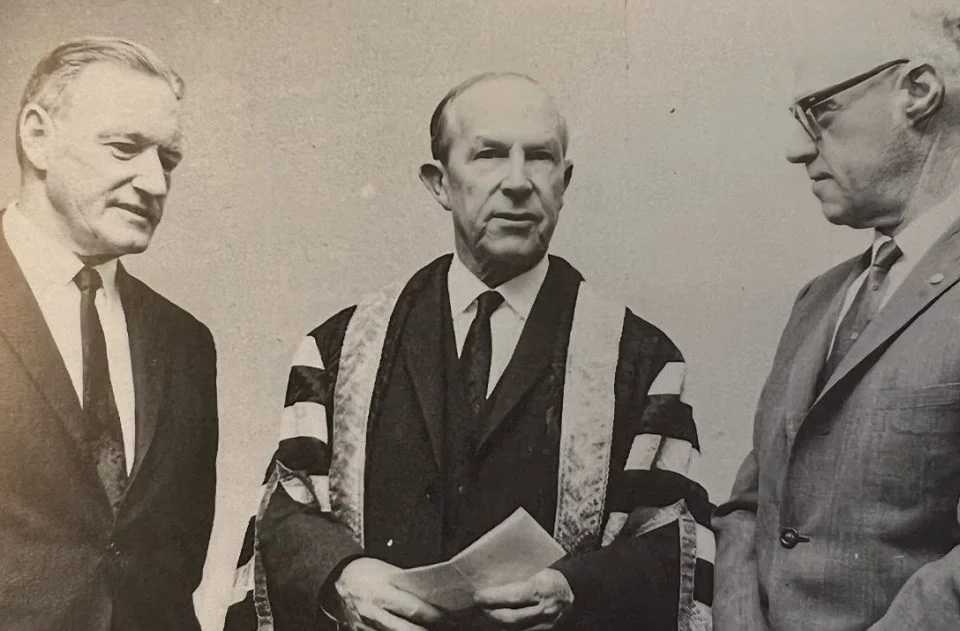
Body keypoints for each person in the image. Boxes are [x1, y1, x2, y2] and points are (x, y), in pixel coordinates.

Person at [224, 72, 713, 630]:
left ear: (565, 181)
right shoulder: (338, 350)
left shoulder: (641, 361)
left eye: (541, 158)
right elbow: (286, 515)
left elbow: (674, 545)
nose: (518, 182)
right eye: (488, 155)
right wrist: (343, 575)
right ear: (439, 183)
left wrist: (576, 590)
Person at [713, 4, 960, 630]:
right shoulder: (818, 299)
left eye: (819, 113)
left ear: (919, 91)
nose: (796, 149)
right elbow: (749, 505)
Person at [0, 37, 218, 630]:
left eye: (167, 160)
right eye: (125, 148)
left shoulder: (185, 343)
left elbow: (176, 561)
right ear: (37, 136)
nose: (155, 182)